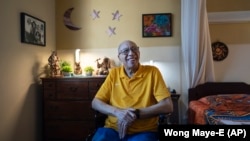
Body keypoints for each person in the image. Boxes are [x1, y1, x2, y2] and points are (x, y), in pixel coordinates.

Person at [91, 40, 173, 141]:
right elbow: (96, 103)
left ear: (139, 53)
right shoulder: (113, 74)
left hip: (144, 131)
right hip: (113, 129)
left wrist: (136, 114)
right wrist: (119, 113)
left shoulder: (152, 72)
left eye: (134, 49)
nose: (131, 53)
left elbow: (168, 106)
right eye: (125, 51)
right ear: (119, 57)